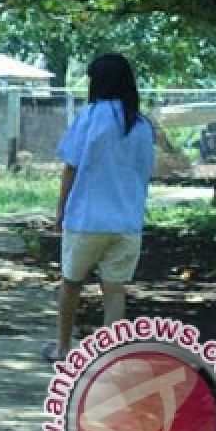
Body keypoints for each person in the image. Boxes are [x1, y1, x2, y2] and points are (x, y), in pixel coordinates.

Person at [42, 53, 155, 363]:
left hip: (87, 219)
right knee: (114, 291)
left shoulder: (91, 116)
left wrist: (60, 210)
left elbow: (70, 167)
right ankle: (109, 358)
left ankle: (63, 347)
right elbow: (144, 174)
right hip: (127, 223)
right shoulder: (142, 125)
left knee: (71, 284)